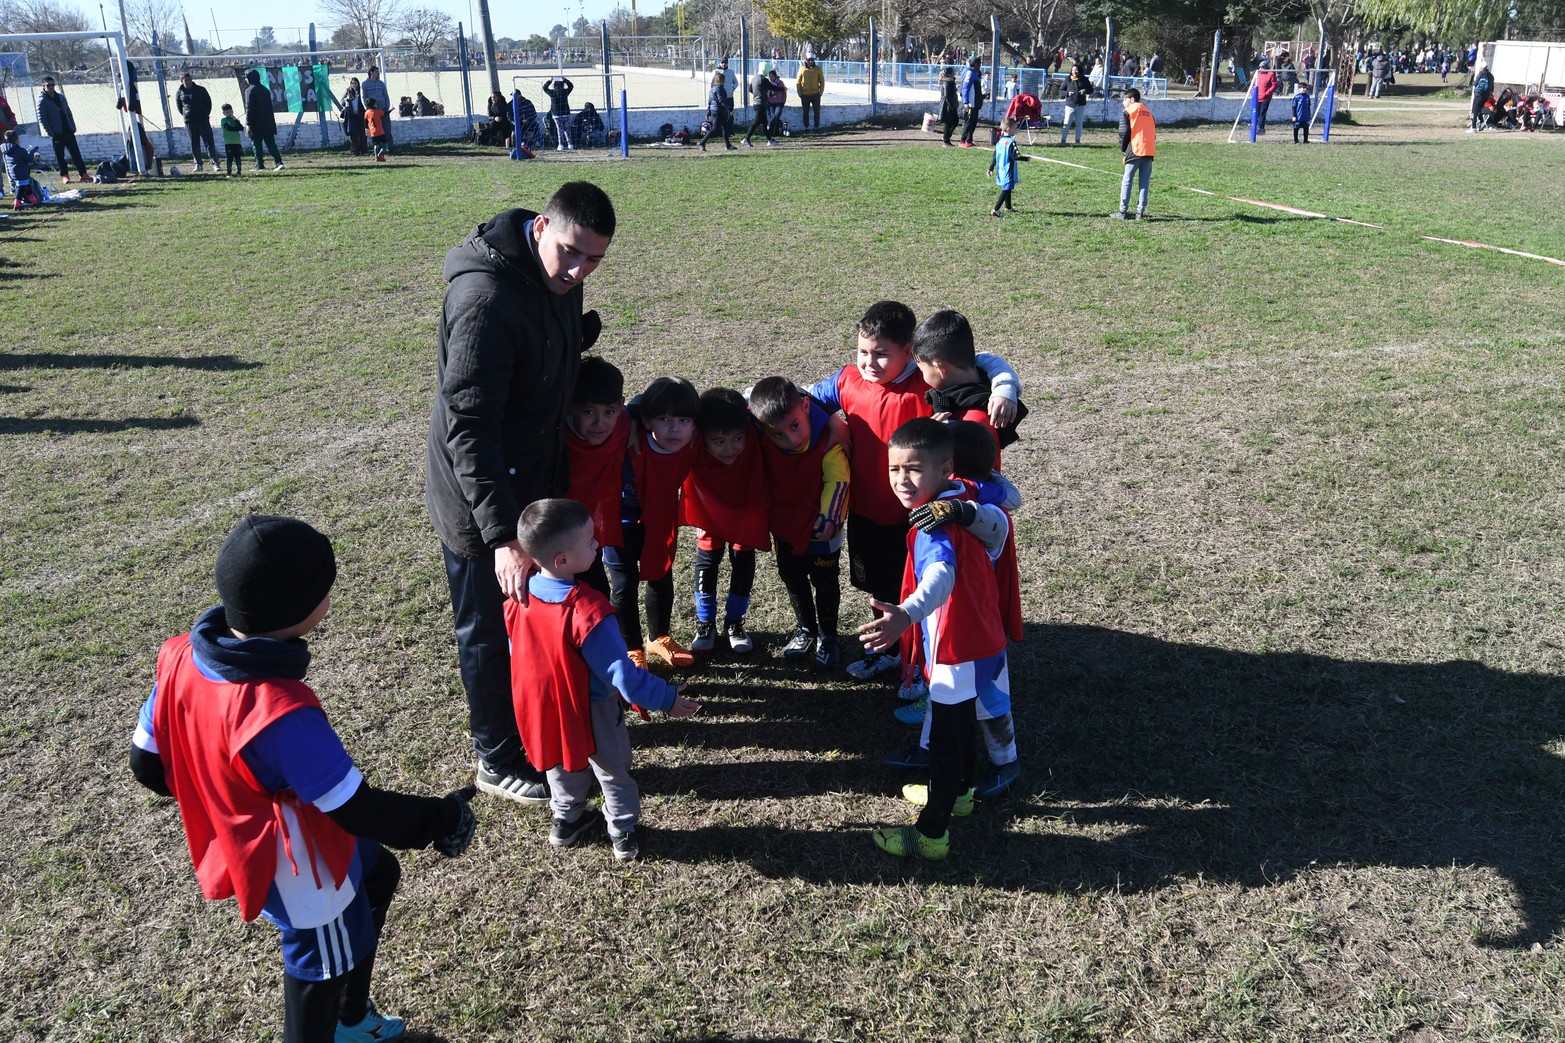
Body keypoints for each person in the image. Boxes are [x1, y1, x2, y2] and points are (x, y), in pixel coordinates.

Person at [129, 514, 479, 1043]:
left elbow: (145, 763)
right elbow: (356, 809)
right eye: (326, 586)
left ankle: (353, 1019)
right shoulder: (280, 713)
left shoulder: (179, 655)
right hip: (298, 863)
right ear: (302, 609)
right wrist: (441, 817)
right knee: (323, 968)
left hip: (264, 840)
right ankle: (340, 1026)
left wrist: (221, 795)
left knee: (378, 874)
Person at [426, 182, 614, 806]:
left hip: (536, 477)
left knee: (544, 615)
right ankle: (497, 757)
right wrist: (502, 534)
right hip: (479, 496)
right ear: (540, 228)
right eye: (570, 253)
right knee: (486, 625)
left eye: (594, 260)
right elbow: (469, 427)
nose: (579, 269)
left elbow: (543, 341)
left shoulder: (559, 274)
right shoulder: (484, 299)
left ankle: (550, 725)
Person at [803, 302, 1019, 688]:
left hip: (919, 520)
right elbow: (806, 399)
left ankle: (920, 662)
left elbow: (980, 362)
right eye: (863, 351)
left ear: (910, 352)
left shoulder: (932, 387)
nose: (869, 362)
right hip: (865, 512)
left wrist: (1005, 385)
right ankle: (887, 654)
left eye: (882, 353)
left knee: (922, 590)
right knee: (879, 587)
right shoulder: (848, 381)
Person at [503, 499, 699, 863]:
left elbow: (519, 653)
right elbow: (622, 674)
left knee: (560, 763)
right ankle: (622, 832)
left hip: (544, 707)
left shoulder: (518, 598)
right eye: (591, 542)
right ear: (562, 560)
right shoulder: (588, 610)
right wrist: (667, 698)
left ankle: (566, 819)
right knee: (612, 769)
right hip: (591, 709)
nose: (598, 545)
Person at [859, 420, 1012, 861]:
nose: (901, 480)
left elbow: (941, 576)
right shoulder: (958, 498)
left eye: (914, 470)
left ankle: (931, 836)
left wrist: (906, 614)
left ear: (945, 468)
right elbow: (1001, 508)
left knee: (945, 741)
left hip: (957, 649)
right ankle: (961, 794)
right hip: (983, 637)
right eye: (893, 469)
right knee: (961, 725)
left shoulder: (933, 526)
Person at [749, 376, 850, 670]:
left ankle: (828, 636)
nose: (791, 438)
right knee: (793, 579)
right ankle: (806, 629)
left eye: (794, 425)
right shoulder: (763, 437)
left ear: (806, 407)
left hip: (822, 531)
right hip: (785, 527)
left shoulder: (827, 443)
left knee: (825, 583)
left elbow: (838, 480)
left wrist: (830, 516)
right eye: (778, 434)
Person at [605, 377, 701, 670]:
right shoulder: (629, 438)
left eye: (683, 420)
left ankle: (659, 637)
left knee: (661, 576)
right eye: (663, 419)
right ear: (647, 421)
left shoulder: (693, 443)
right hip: (619, 522)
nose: (674, 428)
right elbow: (626, 406)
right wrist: (634, 413)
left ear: (695, 424)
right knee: (624, 586)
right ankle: (632, 648)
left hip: (659, 521)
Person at [682, 388, 769, 653]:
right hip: (709, 509)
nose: (730, 448)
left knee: (743, 561)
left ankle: (735, 623)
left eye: (737, 439)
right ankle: (705, 623)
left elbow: (791, 399)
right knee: (708, 561)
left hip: (746, 508)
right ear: (702, 437)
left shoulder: (754, 429)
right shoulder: (691, 440)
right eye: (719, 441)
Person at [1111, 87, 1155, 220]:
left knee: (1127, 180)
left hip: (1135, 149)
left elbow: (1123, 133)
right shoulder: (1148, 112)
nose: (1123, 103)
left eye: (1125, 100)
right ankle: (1140, 212)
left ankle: (1122, 211)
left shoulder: (1128, 111)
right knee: (1144, 182)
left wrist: (1124, 149)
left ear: (1132, 99)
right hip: (1149, 150)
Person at [37, 76, 89, 183]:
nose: (51, 87)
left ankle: (83, 174)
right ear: (43, 86)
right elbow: (42, 119)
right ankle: (65, 175)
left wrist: (73, 126)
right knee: (60, 156)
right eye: (48, 85)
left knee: (76, 153)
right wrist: (51, 132)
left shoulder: (61, 97)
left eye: (52, 85)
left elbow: (68, 112)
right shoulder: (42, 101)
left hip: (68, 130)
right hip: (56, 133)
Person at [175, 72, 220, 172]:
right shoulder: (179, 92)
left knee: (209, 142)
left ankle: (215, 163)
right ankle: (198, 164)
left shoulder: (201, 90)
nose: (188, 81)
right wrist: (187, 115)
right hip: (190, 122)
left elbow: (208, 103)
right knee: (194, 144)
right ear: (182, 81)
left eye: (189, 79)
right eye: (186, 80)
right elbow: (179, 107)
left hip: (203, 120)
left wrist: (204, 114)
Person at [243, 69, 284, 170]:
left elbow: (250, 108)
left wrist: (248, 123)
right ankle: (279, 162)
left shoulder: (249, 90)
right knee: (271, 144)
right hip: (268, 121)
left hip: (256, 123)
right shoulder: (265, 89)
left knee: (256, 145)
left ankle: (260, 165)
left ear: (249, 79)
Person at [1, 129, 41, 209]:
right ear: (17, 139)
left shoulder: (6, 150)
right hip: (21, 173)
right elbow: (29, 159)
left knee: (27, 187)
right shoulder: (20, 150)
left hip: (13, 173)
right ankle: (17, 204)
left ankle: (35, 202)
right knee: (21, 189)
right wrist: (32, 152)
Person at [697, 70, 736, 151]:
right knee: (715, 128)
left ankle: (728, 145)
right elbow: (721, 100)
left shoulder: (713, 88)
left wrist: (709, 111)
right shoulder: (719, 88)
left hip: (714, 109)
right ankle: (702, 142)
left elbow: (710, 101)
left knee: (724, 127)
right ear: (721, 80)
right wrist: (728, 108)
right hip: (719, 110)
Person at [988, 118, 1019, 217]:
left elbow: (995, 156)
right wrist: (1026, 158)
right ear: (1009, 129)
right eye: (1015, 128)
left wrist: (991, 168)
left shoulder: (1000, 141)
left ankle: (1008, 207)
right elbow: (1015, 156)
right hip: (1008, 169)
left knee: (1008, 187)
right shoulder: (1011, 142)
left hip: (1001, 169)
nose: (1016, 130)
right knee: (1006, 188)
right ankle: (996, 209)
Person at [1059, 58, 1093, 145]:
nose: (1075, 72)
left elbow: (1091, 90)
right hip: (1070, 104)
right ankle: (1063, 140)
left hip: (1081, 104)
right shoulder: (1068, 79)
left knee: (1079, 123)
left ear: (1079, 71)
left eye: (1076, 70)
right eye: (1073, 70)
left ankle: (1077, 141)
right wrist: (1067, 93)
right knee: (1067, 122)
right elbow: (1061, 91)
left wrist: (1085, 90)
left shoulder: (1084, 79)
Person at [742, 62, 773, 147]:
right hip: (760, 103)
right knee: (756, 122)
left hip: (756, 103)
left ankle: (770, 139)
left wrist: (757, 93)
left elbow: (750, 89)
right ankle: (746, 139)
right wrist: (782, 88)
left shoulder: (754, 78)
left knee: (764, 122)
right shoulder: (763, 79)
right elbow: (772, 87)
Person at [361, 65, 392, 148]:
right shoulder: (365, 84)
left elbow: (386, 95)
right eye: (376, 72)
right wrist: (368, 108)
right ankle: (377, 148)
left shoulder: (381, 84)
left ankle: (389, 147)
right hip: (373, 113)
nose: (378, 73)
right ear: (371, 72)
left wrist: (387, 106)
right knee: (374, 130)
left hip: (382, 110)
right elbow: (364, 97)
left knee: (386, 129)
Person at [543, 76, 574, 150]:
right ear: (562, 85)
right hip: (565, 113)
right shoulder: (565, 92)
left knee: (559, 130)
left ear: (554, 86)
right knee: (567, 129)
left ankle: (561, 145)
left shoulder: (552, 93)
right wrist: (565, 80)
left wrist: (549, 81)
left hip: (556, 115)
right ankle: (570, 144)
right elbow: (571, 86)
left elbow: (544, 88)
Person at [959, 56, 984, 146]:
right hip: (971, 103)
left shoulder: (974, 73)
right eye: (980, 64)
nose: (980, 66)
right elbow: (965, 88)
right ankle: (963, 141)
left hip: (975, 102)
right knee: (968, 122)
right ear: (976, 64)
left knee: (973, 122)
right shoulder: (969, 73)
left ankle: (969, 140)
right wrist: (966, 102)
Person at [796, 52, 824, 132]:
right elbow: (798, 81)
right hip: (805, 95)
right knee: (805, 111)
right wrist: (800, 93)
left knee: (816, 111)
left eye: (812, 60)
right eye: (809, 60)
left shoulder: (818, 69)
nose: (810, 62)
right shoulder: (802, 69)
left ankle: (816, 126)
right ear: (806, 60)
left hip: (815, 94)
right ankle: (806, 127)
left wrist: (820, 92)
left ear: (814, 60)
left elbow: (822, 81)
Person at [341, 78, 368, 155]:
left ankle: (364, 150)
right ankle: (355, 150)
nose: (354, 85)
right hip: (351, 116)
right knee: (353, 134)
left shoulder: (361, 91)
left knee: (362, 133)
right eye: (352, 83)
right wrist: (346, 99)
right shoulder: (348, 91)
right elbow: (342, 102)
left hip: (361, 114)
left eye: (355, 83)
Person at [218, 103, 245, 176]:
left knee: (238, 157)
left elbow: (241, 128)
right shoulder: (223, 120)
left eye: (230, 112)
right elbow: (228, 128)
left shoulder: (236, 120)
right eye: (227, 112)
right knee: (229, 158)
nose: (229, 113)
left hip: (237, 142)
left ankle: (239, 172)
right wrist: (237, 128)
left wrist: (235, 120)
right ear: (224, 113)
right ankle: (229, 172)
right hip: (229, 142)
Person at [764, 68, 789, 143]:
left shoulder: (780, 83)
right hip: (771, 103)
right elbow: (766, 92)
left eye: (772, 76)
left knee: (776, 116)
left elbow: (784, 92)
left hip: (779, 103)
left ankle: (772, 131)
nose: (771, 78)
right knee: (773, 117)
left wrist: (783, 101)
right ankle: (773, 133)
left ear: (775, 76)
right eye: (769, 76)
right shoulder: (768, 83)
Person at [1253, 59, 1277, 133]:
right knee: (1256, 113)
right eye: (1260, 67)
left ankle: (1260, 128)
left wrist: (1267, 93)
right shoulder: (1258, 74)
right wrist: (1253, 92)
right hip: (1257, 96)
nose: (1261, 68)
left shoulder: (1271, 74)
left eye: (1263, 67)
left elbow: (1274, 85)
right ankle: (1258, 127)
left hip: (1265, 98)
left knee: (1262, 113)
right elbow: (1254, 84)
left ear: (1266, 67)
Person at [938, 66, 960, 146]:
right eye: (953, 72)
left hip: (952, 104)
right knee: (948, 123)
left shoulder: (951, 82)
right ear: (949, 74)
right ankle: (946, 140)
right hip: (948, 106)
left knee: (954, 122)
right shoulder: (947, 83)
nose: (954, 74)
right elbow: (947, 96)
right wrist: (951, 105)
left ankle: (946, 137)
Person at [1469, 65, 1494, 132]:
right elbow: (1492, 88)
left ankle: (1473, 127)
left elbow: (1475, 83)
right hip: (1486, 96)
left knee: (1475, 111)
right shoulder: (1491, 76)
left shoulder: (1480, 74)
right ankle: (1481, 123)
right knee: (1480, 110)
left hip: (1478, 95)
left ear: (1481, 68)